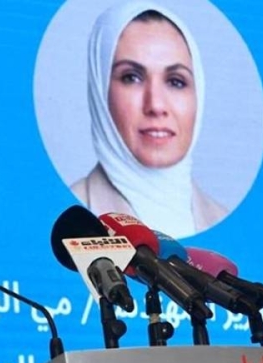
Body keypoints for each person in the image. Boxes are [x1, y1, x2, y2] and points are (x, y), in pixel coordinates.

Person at [72, 1, 228, 239]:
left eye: (176, 81)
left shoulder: (223, 220)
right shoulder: (67, 216)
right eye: (131, 77)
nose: (156, 105)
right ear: (100, 90)